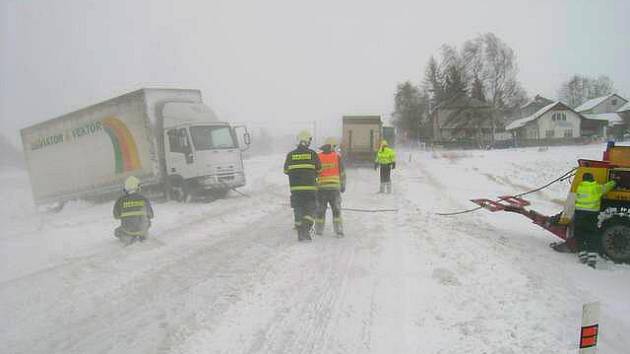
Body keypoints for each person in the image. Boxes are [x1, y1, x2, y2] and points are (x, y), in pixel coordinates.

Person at [284, 130, 321, 241]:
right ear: (306, 140)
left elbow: (286, 170)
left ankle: (300, 231)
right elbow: (319, 169)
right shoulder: (312, 154)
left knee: (298, 209)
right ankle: (306, 228)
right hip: (310, 189)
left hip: (295, 189)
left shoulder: (290, 155)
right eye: (309, 140)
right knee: (311, 209)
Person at [573, 172, 616, 268]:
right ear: (592, 179)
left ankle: (582, 256)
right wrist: (614, 181)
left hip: (579, 214)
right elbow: (607, 186)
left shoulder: (579, 187)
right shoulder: (597, 188)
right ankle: (592, 260)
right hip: (591, 215)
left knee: (580, 235)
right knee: (591, 236)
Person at [315, 137, 346, 237]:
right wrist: (343, 185)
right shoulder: (337, 157)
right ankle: (339, 231)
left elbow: (315, 173)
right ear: (332, 146)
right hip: (334, 189)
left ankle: (319, 231)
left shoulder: (318, 156)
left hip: (321, 189)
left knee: (320, 211)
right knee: (336, 210)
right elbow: (342, 173)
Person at [113, 176, 154, 244]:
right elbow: (151, 215)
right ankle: (142, 236)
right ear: (138, 187)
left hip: (127, 230)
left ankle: (129, 238)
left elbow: (116, 216)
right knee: (147, 221)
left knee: (116, 232)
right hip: (142, 229)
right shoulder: (144, 199)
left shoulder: (120, 200)